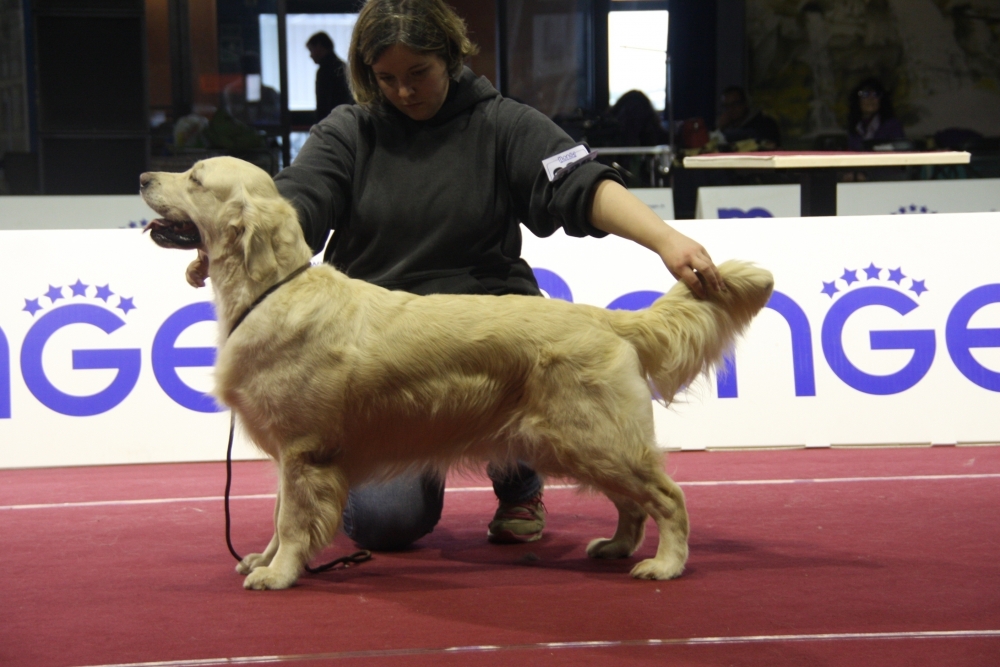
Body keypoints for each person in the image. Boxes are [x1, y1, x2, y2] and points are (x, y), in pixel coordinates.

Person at [274, 0, 723, 553]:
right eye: (386, 79)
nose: (405, 91)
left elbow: (579, 183)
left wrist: (666, 239)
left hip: (494, 335)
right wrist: (234, 240)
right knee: (383, 525)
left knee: (537, 385)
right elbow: (297, 201)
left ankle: (519, 484)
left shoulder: (501, 121)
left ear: (452, 56)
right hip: (384, 357)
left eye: (420, 73)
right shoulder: (348, 131)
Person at [847, 77, 905, 151]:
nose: (871, 99)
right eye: (865, 94)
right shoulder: (855, 126)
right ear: (857, 100)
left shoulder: (891, 125)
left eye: (876, 94)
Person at [307, 32, 354, 122]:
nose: (311, 55)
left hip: (331, 124)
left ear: (319, 46)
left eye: (311, 50)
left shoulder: (325, 71)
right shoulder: (342, 66)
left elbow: (324, 105)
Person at [716, 86, 781, 149]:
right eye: (726, 106)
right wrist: (719, 128)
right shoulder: (726, 127)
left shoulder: (765, 124)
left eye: (735, 104)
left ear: (745, 103)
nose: (731, 109)